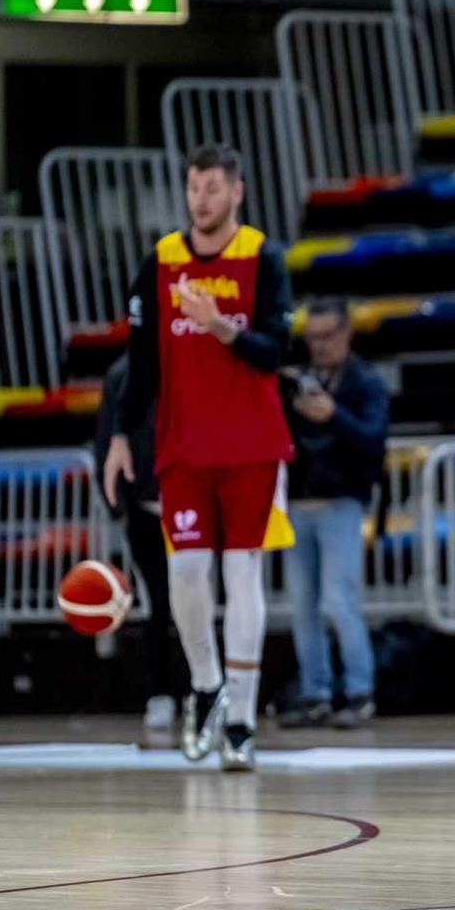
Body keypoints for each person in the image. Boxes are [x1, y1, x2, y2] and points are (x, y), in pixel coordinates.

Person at [103, 142, 295, 773]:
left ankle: (240, 720)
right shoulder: (159, 262)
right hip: (183, 446)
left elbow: (275, 351)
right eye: (193, 188)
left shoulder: (262, 256)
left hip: (253, 447)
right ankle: (207, 685)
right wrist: (122, 436)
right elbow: (141, 362)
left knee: (243, 579)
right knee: (186, 576)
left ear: (236, 191)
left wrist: (221, 327)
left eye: (212, 188)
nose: (201, 200)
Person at [276, 298, 388, 729]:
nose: (319, 345)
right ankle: (316, 693)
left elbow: (374, 440)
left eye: (328, 336)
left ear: (346, 333)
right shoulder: (297, 380)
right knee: (303, 607)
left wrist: (333, 415)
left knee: (339, 601)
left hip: (341, 503)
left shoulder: (365, 381)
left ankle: (360, 692)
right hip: (299, 504)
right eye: (312, 337)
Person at [93, 353, 184, 742]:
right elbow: (105, 443)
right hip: (146, 507)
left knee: (197, 599)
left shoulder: (193, 359)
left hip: (192, 500)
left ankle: (206, 688)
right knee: (161, 600)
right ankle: (161, 692)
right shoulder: (121, 374)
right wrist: (119, 508)